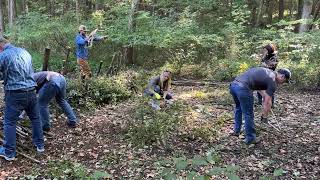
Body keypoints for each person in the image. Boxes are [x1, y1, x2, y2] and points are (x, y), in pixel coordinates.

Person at [0, 37, 44, 161]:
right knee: (35, 118)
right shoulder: (25, 52)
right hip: (31, 90)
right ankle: (40, 145)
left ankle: (9, 153)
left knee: (9, 122)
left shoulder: (3, 56)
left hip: (15, 93)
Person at [229, 67, 291, 145]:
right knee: (248, 114)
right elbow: (267, 102)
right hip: (243, 89)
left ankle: (236, 131)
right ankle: (250, 138)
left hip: (234, 85)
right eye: (284, 81)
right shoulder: (273, 82)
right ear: (282, 76)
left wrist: (265, 96)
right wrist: (264, 117)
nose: (282, 83)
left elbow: (257, 85)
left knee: (239, 108)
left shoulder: (267, 72)